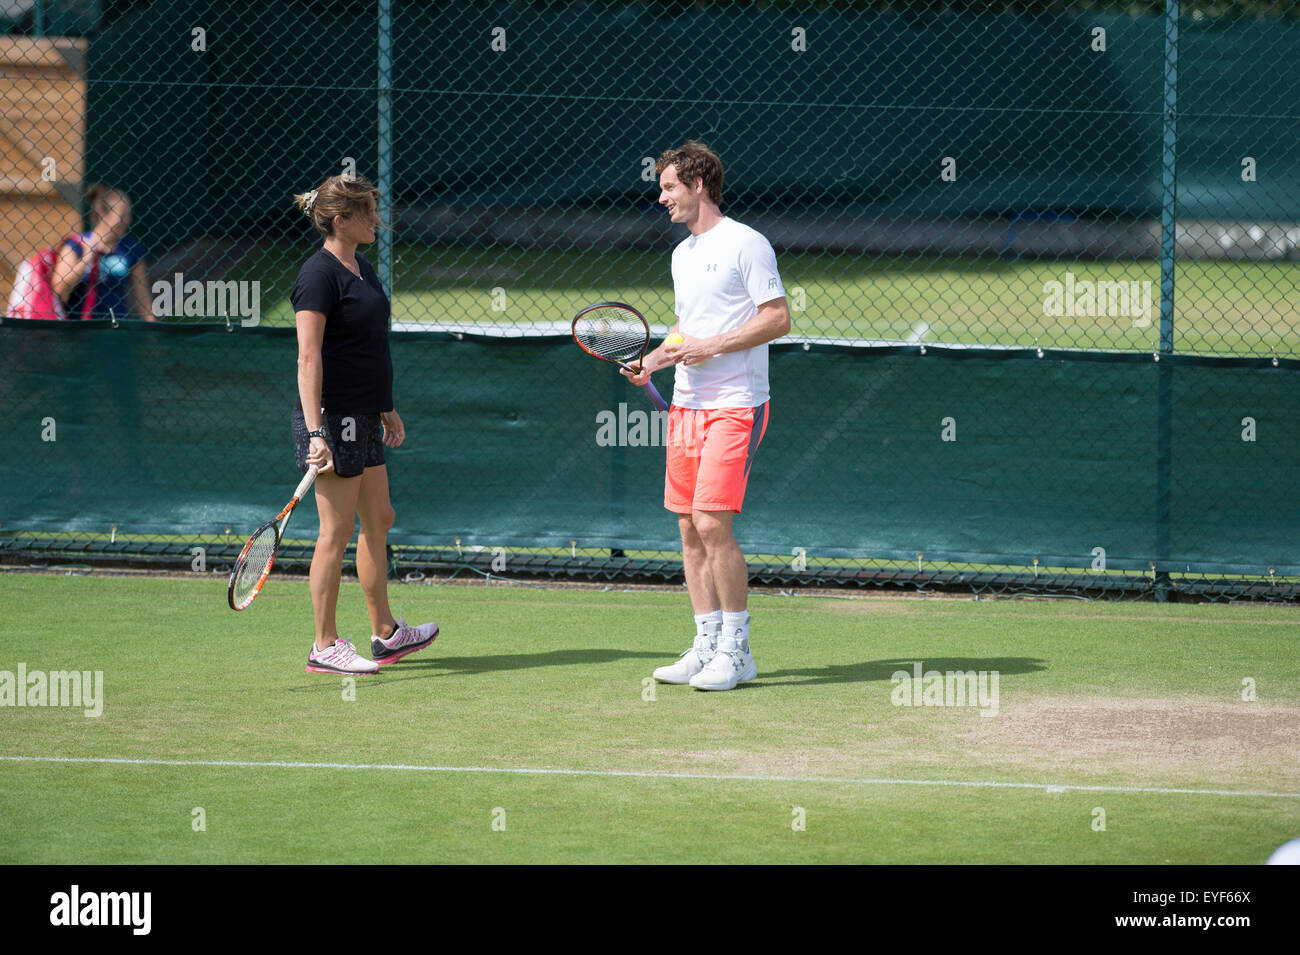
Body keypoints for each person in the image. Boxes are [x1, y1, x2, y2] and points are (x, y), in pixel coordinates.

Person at [626, 142, 790, 691]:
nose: (661, 197)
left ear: (698, 185)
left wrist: (712, 347)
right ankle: (706, 643)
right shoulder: (683, 254)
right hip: (688, 405)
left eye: (669, 187)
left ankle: (738, 651)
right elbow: (684, 328)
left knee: (712, 523)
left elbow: (777, 320)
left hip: (736, 405)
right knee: (687, 528)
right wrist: (651, 362)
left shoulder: (747, 244)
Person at [290, 174, 438, 675]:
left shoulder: (363, 267)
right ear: (340, 220)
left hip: (365, 415)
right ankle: (324, 645)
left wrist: (384, 406)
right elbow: (308, 358)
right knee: (335, 531)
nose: (378, 219)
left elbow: (369, 347)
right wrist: (316, 433)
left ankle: (386, 633)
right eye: (368, 212)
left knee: (379, 519)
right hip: (332, 418)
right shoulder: (317, 275)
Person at [52, 185, 156, 321]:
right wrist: (86, 257)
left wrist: (152, 332)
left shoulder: (131, 248)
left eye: (129, 215)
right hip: (77, 329)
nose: (128, 221)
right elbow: (59, 288)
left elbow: (142, 297)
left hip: (115, 329)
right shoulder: (76, 245)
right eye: (122, 215)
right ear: (102, 213)